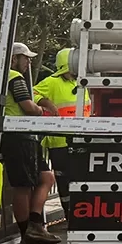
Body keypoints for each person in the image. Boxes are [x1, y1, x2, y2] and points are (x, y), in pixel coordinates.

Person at [0, 42, 61, 244]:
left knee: (46, 177)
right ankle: (27, 235)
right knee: (23, 186)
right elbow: (28, 107)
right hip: (18, 136)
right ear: (14, 59)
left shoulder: (6, 76)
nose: (29, 62)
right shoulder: (14, 77)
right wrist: (43, 111)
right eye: (25, 58)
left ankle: (35, 226)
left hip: (24, 136)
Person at [34, 48, 90, 217]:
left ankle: (81, 213)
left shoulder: (80, 84)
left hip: (81, 140)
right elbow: (31, 93)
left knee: (81, 179)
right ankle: (69, 215)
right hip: (59, 143)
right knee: (65, 182)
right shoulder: (52, 82)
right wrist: (47, 104)